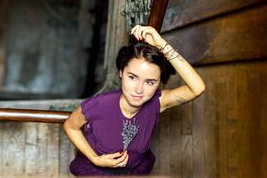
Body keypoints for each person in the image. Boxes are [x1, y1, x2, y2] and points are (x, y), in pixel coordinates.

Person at [64, 25, 205, 176]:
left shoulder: (157, 103)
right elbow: (70, 126)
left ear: (159, 82)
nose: (139, 90)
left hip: (134, 171)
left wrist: (162, 45)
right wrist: (95, 159)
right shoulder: (98, 105)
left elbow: (197, 88)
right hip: (96, 171)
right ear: (121, 72)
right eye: (132, 77)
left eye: (150, 82)